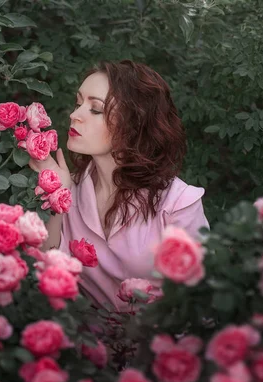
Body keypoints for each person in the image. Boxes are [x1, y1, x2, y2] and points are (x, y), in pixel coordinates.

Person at [29, 60, 209, 312]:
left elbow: (199, 300)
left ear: (134, 123)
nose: (74, 115)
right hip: (89, 344)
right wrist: (56, 192)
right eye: (78, 103)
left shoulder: (177, 203)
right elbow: (45, 267)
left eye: (95, 109)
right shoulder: (72, 189)